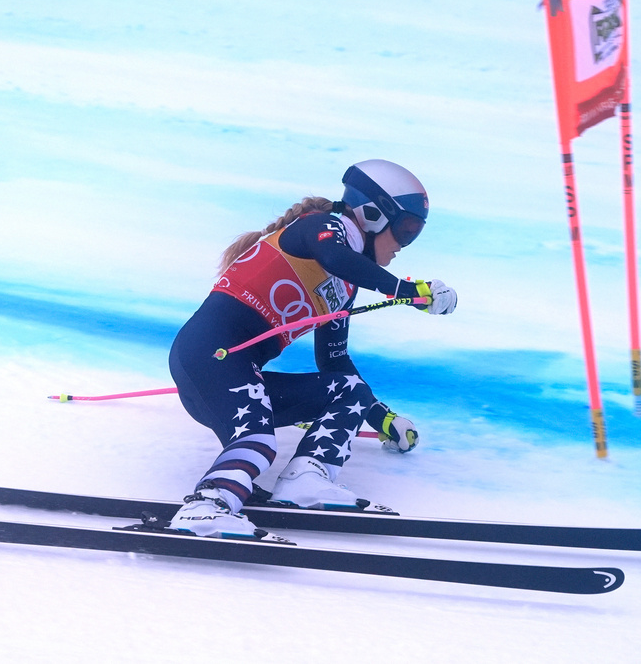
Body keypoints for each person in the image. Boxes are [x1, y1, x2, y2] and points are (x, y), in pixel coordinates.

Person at [167, 159, 458, 538]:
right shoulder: (321, 228)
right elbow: (336, 256)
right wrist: (406, 290)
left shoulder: (345, 285)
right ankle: (208, 506)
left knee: (348, 389)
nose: (404, 245)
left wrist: (380, 418)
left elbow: (334, 360)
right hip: (208, 358)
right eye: (406, 229)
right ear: (372, 214)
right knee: (257, 437)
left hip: (238, 372)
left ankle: (307, 478)